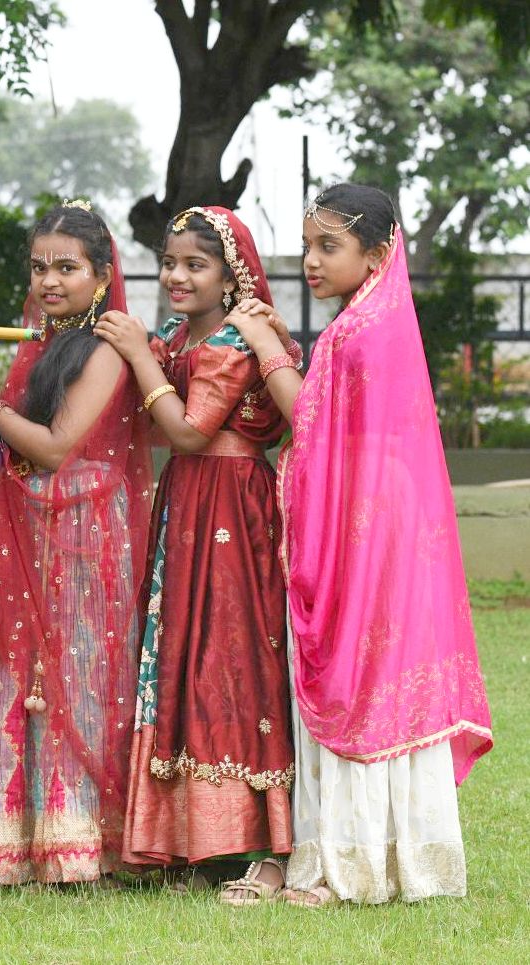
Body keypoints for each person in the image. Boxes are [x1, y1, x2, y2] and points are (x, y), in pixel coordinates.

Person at [229, 183, 493, 906]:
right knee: (378, 673)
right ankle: (393, 858)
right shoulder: (374, 319)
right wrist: (286, 345)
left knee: (354, 674)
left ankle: (349, 866)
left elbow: (311, 424)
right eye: (307, 246)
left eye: (329, 246)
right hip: (381, 512)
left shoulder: (357, 331)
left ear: (375, 254)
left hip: (364, 520)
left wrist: (265, 347)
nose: (311, 261)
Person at [96, 207, 297, 904]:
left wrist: (139, 356)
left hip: (231, 507)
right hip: (189, 502)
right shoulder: (184, 336)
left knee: (228, 655)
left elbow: (187, 431)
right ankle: (187, 838)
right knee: (181, 648)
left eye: (195, 265)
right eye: (170, 262)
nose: (176, 276)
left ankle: (254, 839)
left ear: (231, 275)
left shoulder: (238, 337)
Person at [0, 200, 152, 885]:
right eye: (40, 266)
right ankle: (17, 844)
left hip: (88, 532)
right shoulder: (42, 343)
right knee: (25, 675)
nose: (49, 280)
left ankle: (80, 842)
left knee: (82, 676)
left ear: (102, 276)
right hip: (37, 529)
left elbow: (53, 447)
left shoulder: (103, 349)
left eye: (67, 268)